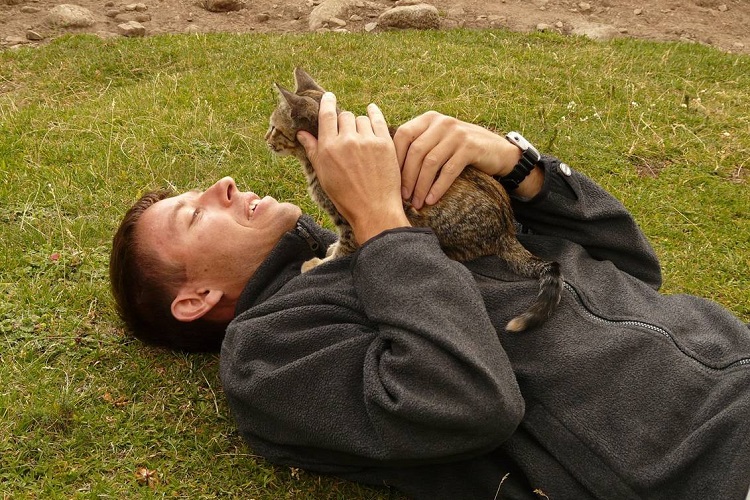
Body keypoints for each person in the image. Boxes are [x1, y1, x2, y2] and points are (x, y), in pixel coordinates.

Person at [110, 92, 750, 499]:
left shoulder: (406, 227)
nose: (222, 184)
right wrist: (382, 222)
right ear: (195, 298)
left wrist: (516, 165)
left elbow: (634, 266)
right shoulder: (269, 350)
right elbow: (468, 403)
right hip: (702, 463)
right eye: (193, 216)